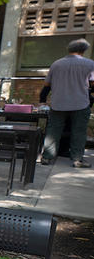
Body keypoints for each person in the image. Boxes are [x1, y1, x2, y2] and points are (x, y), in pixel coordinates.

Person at [38, 38, 94, 168]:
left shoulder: (56, 64)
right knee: (79, 131)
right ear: (83, 50)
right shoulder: (90, 64)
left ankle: (47, 157)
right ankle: (77, 159)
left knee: (53, 130)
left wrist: (42, 99)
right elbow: (93, 84)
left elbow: (47, 85)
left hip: (58, 103)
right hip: (80, 103)